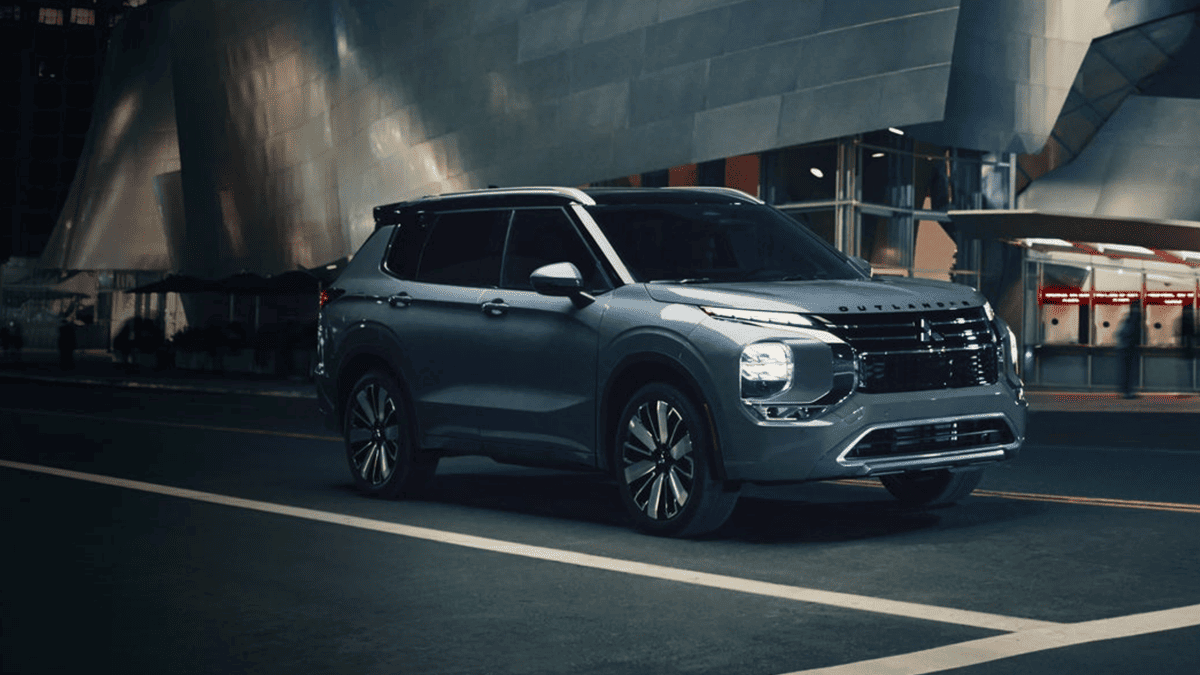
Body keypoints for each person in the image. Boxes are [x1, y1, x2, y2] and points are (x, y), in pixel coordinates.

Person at [1117, 300, 1142, 398]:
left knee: (1126, 371)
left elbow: (1119, 334)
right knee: (1128, 371)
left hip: (1124, 349)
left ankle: (1126, 391)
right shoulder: (1133, 320)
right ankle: (1127, 392)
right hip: (1128, 349)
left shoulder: (1126, 321)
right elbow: (1131, 334)